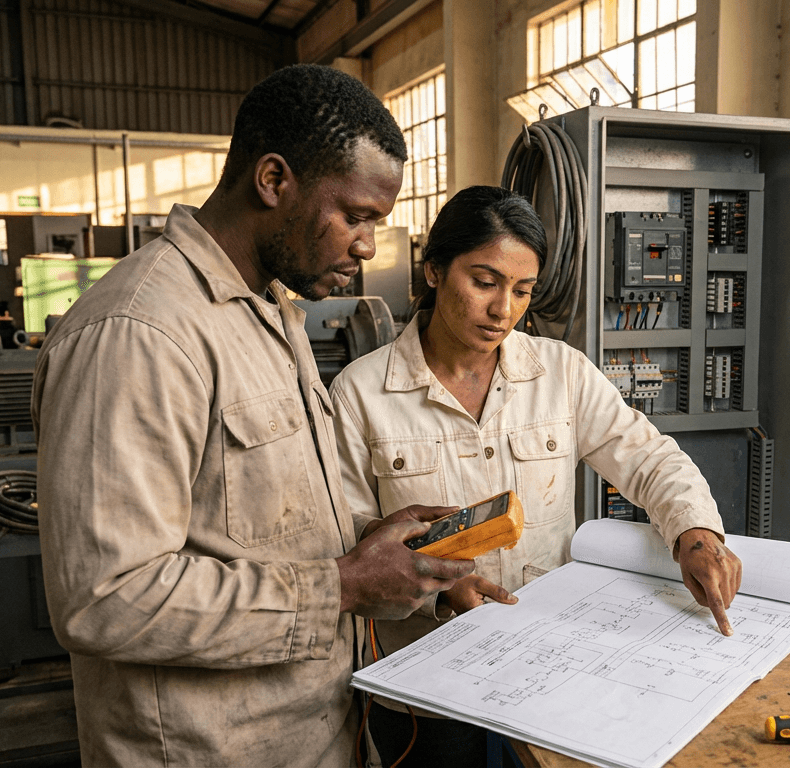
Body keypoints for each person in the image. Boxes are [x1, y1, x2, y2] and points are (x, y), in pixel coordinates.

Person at [31, 64, 475, 767]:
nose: (367, 245)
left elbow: (247, 521)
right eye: (356, 216)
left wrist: (374, 547)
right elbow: (105, 599)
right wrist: (342, 585)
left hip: (309, 734)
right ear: (273, 180)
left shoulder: (269, 309)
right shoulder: (141, 334)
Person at [330, 186, 744, 767]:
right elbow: (346, 534)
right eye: (485, 282)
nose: (504, 309)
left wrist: (695, 533)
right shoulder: (360, 393)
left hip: (548, 670)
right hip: (427, 689)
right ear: (434, 270)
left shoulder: (560, 373)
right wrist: (439, 589)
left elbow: (649, 458)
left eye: (523, 290)